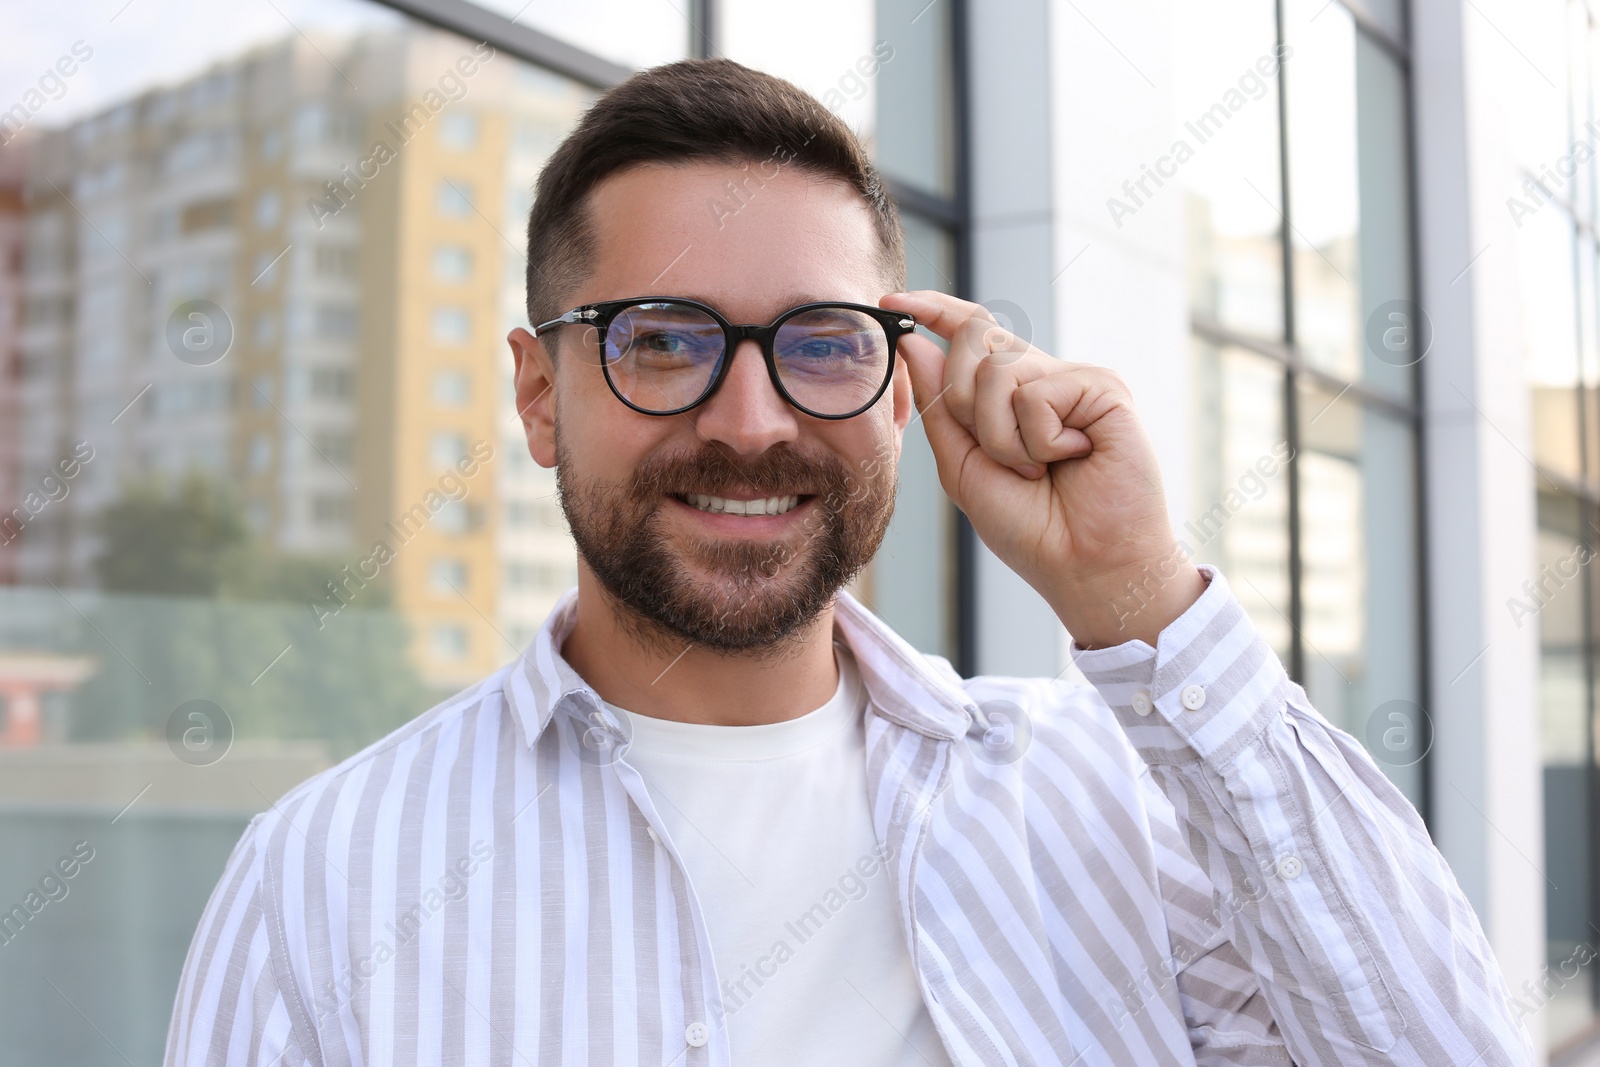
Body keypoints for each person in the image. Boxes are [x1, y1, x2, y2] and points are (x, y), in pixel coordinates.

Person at [163, 57, 1529, 1067]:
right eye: (659, 338)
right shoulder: (327, 877)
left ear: (893, 395)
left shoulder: (1102, 798)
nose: (748, 423)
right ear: (537, 396)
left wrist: (1139, 601)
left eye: (820, 343)